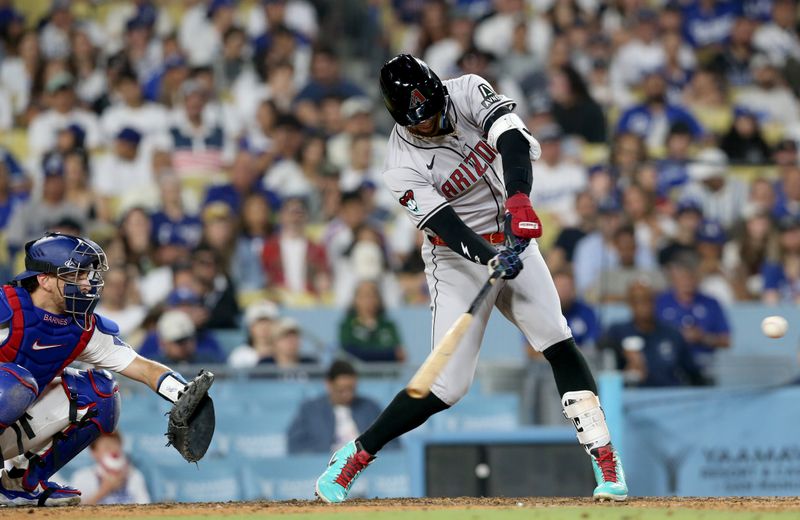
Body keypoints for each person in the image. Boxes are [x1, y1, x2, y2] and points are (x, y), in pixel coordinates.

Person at [314, 54, 627, 504]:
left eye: (433, 112)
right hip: (456, 257)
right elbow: (445, 225)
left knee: (557, 339)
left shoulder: (465, 91)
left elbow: (514, 140)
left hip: (513, 234)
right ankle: (355, 455)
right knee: (447, 385)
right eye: (418, 122)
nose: (431, 125)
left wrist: (520, 200)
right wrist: (487, 257)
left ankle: (606, 462)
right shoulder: (399, 164)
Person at [0, 232, 212, 506]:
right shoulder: (6, 307)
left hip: (11, 421)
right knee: (15, 383)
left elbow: (142, 367)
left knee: (103, 393)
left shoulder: (82, 328)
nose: (87, 284)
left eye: (88, 275)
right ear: (44, 280)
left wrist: (184, 394)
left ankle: (19, 484)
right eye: (75, 275)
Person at [602, 282, 706, 387]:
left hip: (670, 395)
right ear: (630, 304)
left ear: (655, 302)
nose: (644, 305)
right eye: (637, 300)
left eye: (648, 299)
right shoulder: (617, 332)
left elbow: (694, 373)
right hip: (633, 396)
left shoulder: (672, 333)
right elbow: (600, 357)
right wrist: (623, 354)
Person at [656, 254, 731, 379]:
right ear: (673, 278)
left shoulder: (711, 303)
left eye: (691, 276)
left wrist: (703, 338)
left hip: (705, 364)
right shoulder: (660, 302)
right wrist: (676, 337)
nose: (687, 281)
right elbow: (649, 334)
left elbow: (726, 340)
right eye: (682, 277)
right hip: (669, 362)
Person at [287, 360, 383, 454]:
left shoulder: (370, 408)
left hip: (366, 465)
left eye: (351, 389)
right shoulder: (310, 410)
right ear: (328, 384)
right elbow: (295, 445)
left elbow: (389, 442)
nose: (347, 394)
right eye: (341, 390)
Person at [68, 431, 150, 505]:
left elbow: (145, 507)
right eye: (107, 447)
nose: (114, 450)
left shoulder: (134, 475)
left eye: (116, 444)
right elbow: (72, 512)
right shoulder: (82, 477)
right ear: (94, 453)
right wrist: (104, 490)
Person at [339, 280, 405, 362]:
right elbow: (349, 354)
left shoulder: (388, 326)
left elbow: (400, 355)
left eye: (372, 295)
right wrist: (390, 354)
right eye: (364, 296)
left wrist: (363, 352)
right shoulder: (347, 325)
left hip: (386, 374)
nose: (368, 300)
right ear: (355, 300)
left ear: (378, 299)